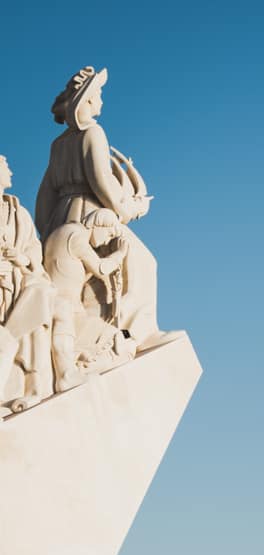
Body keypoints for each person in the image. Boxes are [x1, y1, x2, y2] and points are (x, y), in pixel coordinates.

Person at [35, 67, 159, 346]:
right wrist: (129, 209)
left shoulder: (58, 145)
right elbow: (101, 180)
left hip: (61, 219)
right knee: (142, 264)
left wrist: (47, 228)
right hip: (93, 216)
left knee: (79, 288)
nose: (101, 99)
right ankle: (135, 333)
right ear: (88, 99)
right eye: (99, 93)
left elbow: (45, 195)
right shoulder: (93, 133)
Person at [43, 208, 132, 390]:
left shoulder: (64, 232)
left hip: (64, 302)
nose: (106, 240)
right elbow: (100, 268)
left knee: (117, 340)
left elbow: (71, 272)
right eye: (108, 234)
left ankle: (80, 365)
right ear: (99, 224)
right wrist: (120, 254)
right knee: (118, 343)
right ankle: (69, 374)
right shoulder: (76, 236)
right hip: (65, 305)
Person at [0, 154, 54, 414]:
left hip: (17, 279)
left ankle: (34, 387)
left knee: (39, 299)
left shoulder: (17, 212)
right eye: (4, 166)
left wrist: (22, 259)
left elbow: (33, 248)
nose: (10, 170)